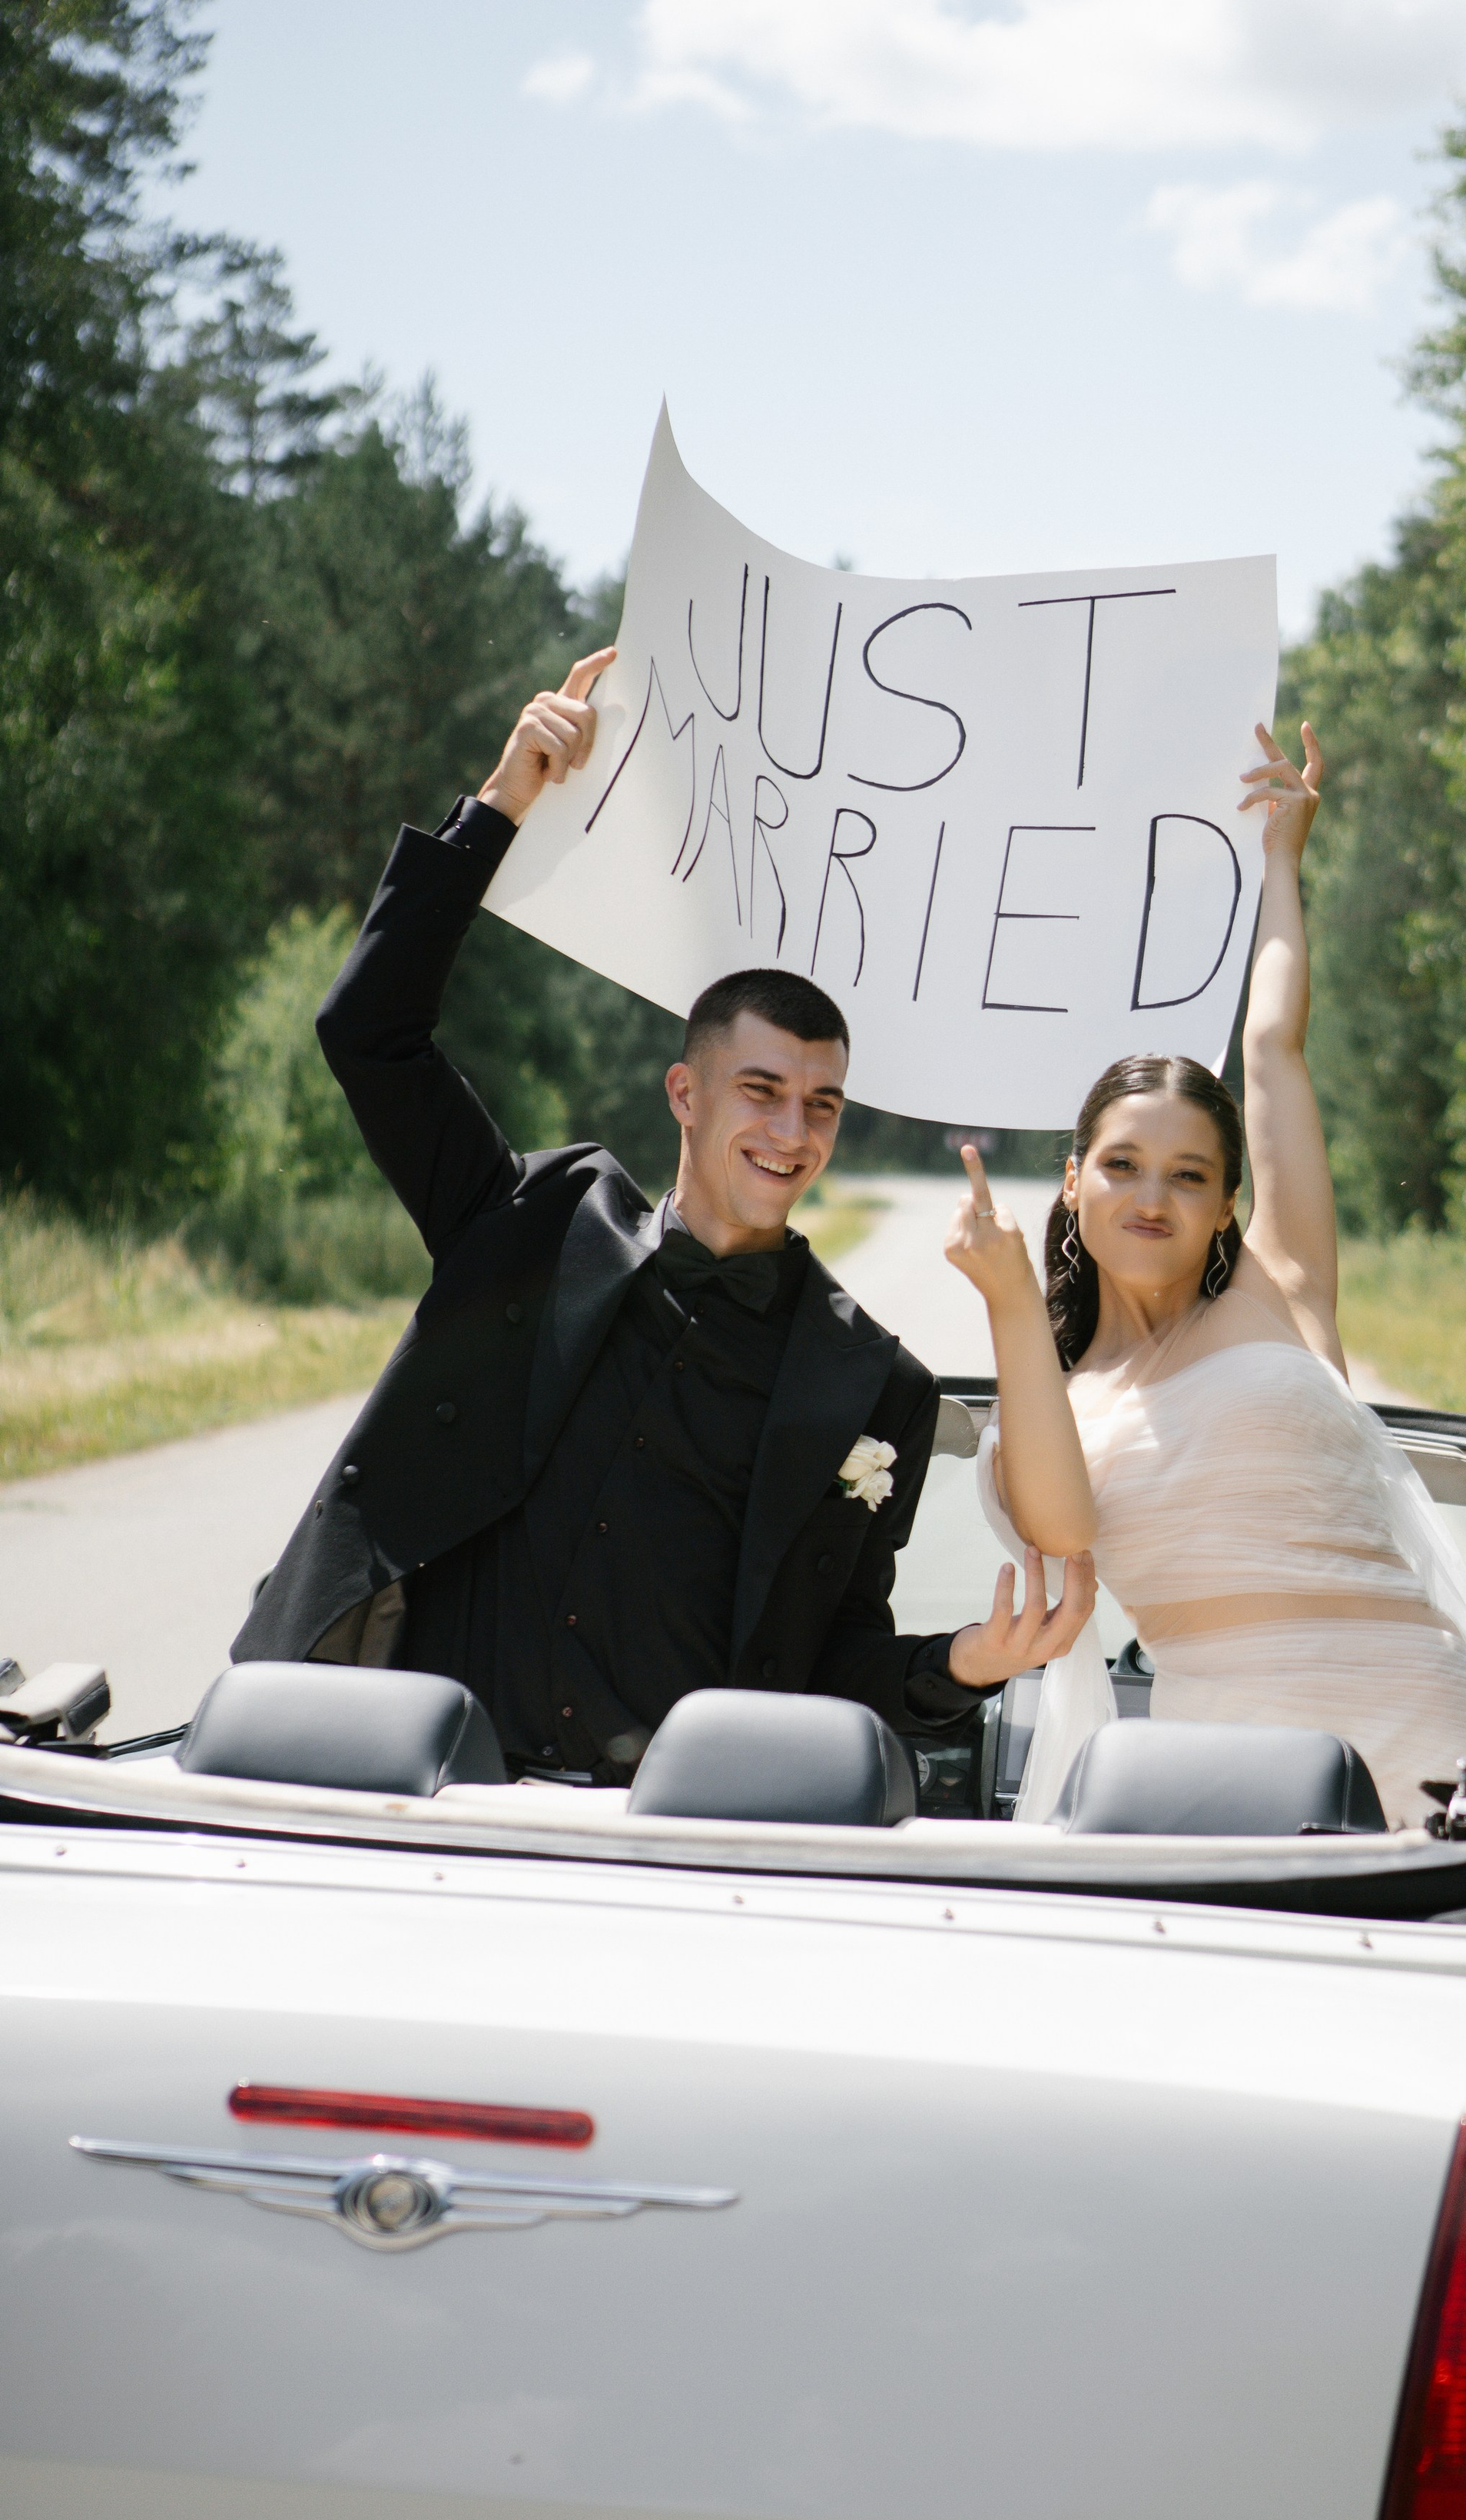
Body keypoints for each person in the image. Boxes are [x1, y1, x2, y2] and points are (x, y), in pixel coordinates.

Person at [234, 648, 1093, 1780]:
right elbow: (370, 1034)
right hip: (416, 1794)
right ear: (684, 1093)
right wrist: (504, 805)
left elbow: (828, 1671)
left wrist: (966, 1664)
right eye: (762, 1091)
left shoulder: (875, 1388)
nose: (793, 1132)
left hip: (668, 1846)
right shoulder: (533, 1223)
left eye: (822, 1104)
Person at [944, 719, 1466, 1829]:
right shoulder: (1056, 1402)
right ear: (1072, 1182)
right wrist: (1012, 1303)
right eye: (1122, 1166)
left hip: (1435, 1734)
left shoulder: (1281, 1287)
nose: (1152, 1197)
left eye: (1187, 1174)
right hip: (1227, 1778)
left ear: (1229, 1201)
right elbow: (1064, 1531)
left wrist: (1280, 859)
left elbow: (1271, 1046)